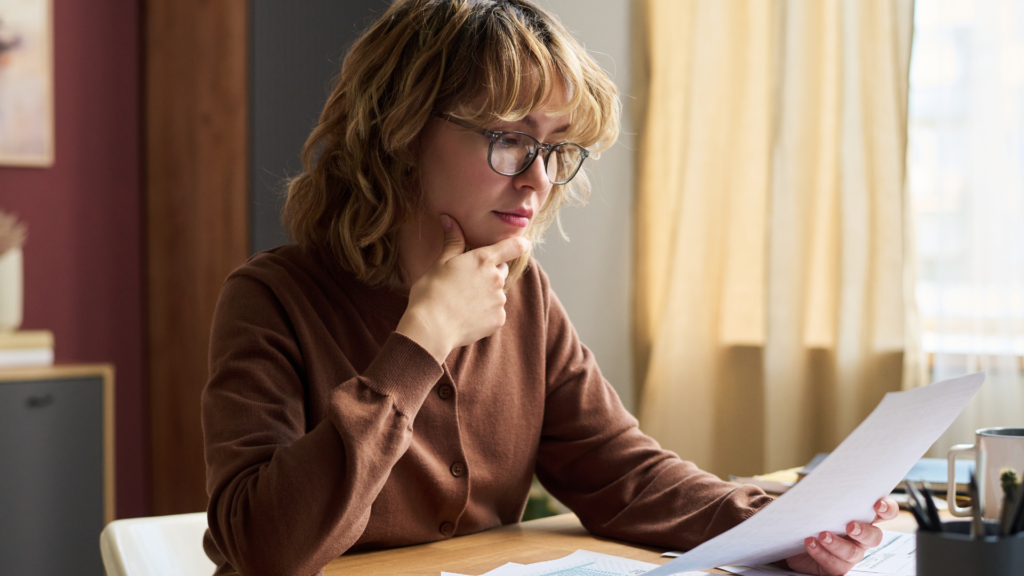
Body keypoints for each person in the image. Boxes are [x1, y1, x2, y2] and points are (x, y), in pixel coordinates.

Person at [200, 1, 898, 575]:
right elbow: (265, 547)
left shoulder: (523, 296)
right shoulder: (272, 300)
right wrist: (423, 340)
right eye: (511, 138)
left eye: (558, 147)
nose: (538, 177)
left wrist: (791, 523)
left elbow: (625, 477)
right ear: (400, 132)